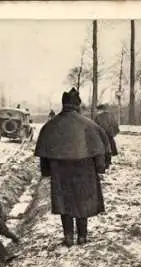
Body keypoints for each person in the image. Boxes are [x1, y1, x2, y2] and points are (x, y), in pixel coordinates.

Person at [34, 87, 111, 247]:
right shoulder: (89, 125)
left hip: (60, 171)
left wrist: (47, 171)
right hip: (85, 169)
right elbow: (101, 150)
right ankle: (82, 237)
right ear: (77, 104)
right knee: (82, 203)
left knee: (65, 203)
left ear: (63, 104)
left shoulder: (51, 125)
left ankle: (68, 237)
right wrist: (100, 167)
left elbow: (44, 153)